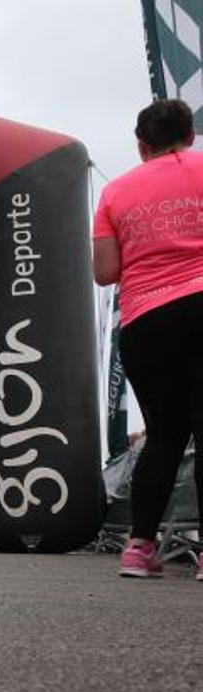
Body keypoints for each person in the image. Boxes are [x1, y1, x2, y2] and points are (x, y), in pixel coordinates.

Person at [93, 98, 203, 580]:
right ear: (190, 135)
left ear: (141, 145)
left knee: (162, 435)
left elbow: (105, 272)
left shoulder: (114, 193)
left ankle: (139, 548)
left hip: (144, 320)